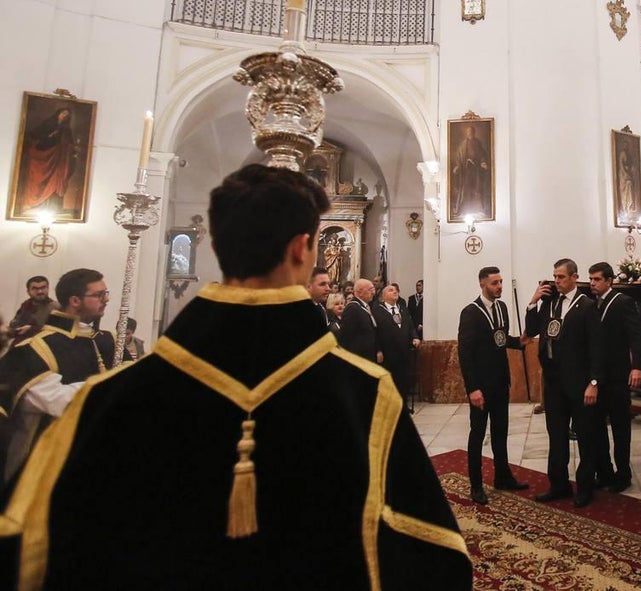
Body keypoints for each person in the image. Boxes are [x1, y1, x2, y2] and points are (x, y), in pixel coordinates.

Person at [0, 164, 471, 588]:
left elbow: (38, 550)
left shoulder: (108, 399)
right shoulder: (365, 396)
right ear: (302, 248)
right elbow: (430, 555)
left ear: (219, 246)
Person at [0, 268, 127, 483]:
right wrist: (115, 385)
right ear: (75, 300)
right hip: (46, 466)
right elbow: (57, 401)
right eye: (98, 295)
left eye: (106, 293)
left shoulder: (109, 341)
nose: (106, 300)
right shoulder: (35, 348)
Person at [524, 259, 603, 507]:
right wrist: (533, 301)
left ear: (573, 277)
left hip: (579, 382)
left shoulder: (587, 305)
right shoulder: (550, 303)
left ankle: (585, 486)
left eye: (561, 277)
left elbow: (596, 348)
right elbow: (531, 329)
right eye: (554, 276)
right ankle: (558, 484)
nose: (556, 281)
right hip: (554, 381)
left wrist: (593, 382)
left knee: (586, 436)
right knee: (556, 435)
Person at [457, 266, 529, 504]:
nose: (499, 287)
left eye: (500, 282)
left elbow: (499, 339)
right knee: (477, 435)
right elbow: (465, 353)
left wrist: (519, 342)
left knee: (501, 433)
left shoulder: (502, 308)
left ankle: (503, 477)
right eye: (494, 283)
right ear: (482, 284)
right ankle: (476, 486)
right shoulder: (471, 312)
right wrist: (472, 389)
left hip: (500, 382)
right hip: (481, 387)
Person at [587, 262, 641, 494]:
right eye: (591, 279)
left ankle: (623, 474)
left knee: (621, 429)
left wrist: (637, 366)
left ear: (609, 281)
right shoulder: (592, 305)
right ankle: (605, 472)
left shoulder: (623, 302)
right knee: (597, 428)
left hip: (618, 377)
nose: (592, 283)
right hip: (598, 378)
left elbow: (636, 336)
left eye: (597, 279)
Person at [19, 107, 75, 214]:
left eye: (67, 115)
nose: (64, 116)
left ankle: (51, 207)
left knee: (54, 181)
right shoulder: (48, 123)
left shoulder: (66, 130)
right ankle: (36, 204)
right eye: (63, 113)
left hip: (57, 158)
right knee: (38, 179)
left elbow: (70, 143)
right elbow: (34, 135)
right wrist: (49, 137)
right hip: (43, 154)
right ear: (58, 113)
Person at [375, 283, 421, 407]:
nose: (395, 292)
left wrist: (415, 337)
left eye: (396, 290)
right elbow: (375, 332)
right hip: (388, 354)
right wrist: (378, 349)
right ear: (384, 296)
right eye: (391, 290)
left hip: (404, 353)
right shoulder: (378, 311)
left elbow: (410, 326)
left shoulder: (402, 308)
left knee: (403, 382)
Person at [451, 124, 491, 219]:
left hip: (476, 170)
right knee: (466, 190)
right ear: (466, 133)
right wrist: (457, 166)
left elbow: (482, 155)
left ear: (474, 133)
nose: (470, 133)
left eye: (471, 132)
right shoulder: (463, 145)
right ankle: (464, 209)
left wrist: (483, 162)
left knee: (477, 189)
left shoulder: (478, 143)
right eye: (468, 132)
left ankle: (479, 209)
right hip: (466, 171)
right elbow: (459, 158)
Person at [338, 278, 379, 362]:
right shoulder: (352, 308)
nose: (373, 292)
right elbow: (346, 336)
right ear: (360, 292)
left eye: (373, 289)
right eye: (370, 289)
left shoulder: (365, 306)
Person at [7, 276, 56, 344]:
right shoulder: (26, 304)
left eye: (43, 287)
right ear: (28, 291)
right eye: (35, 288)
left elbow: (56, 331)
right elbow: (15, 324)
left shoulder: (55, 307)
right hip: (22, 345)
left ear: (48, 288)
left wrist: (31, 329)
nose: (40, 291)